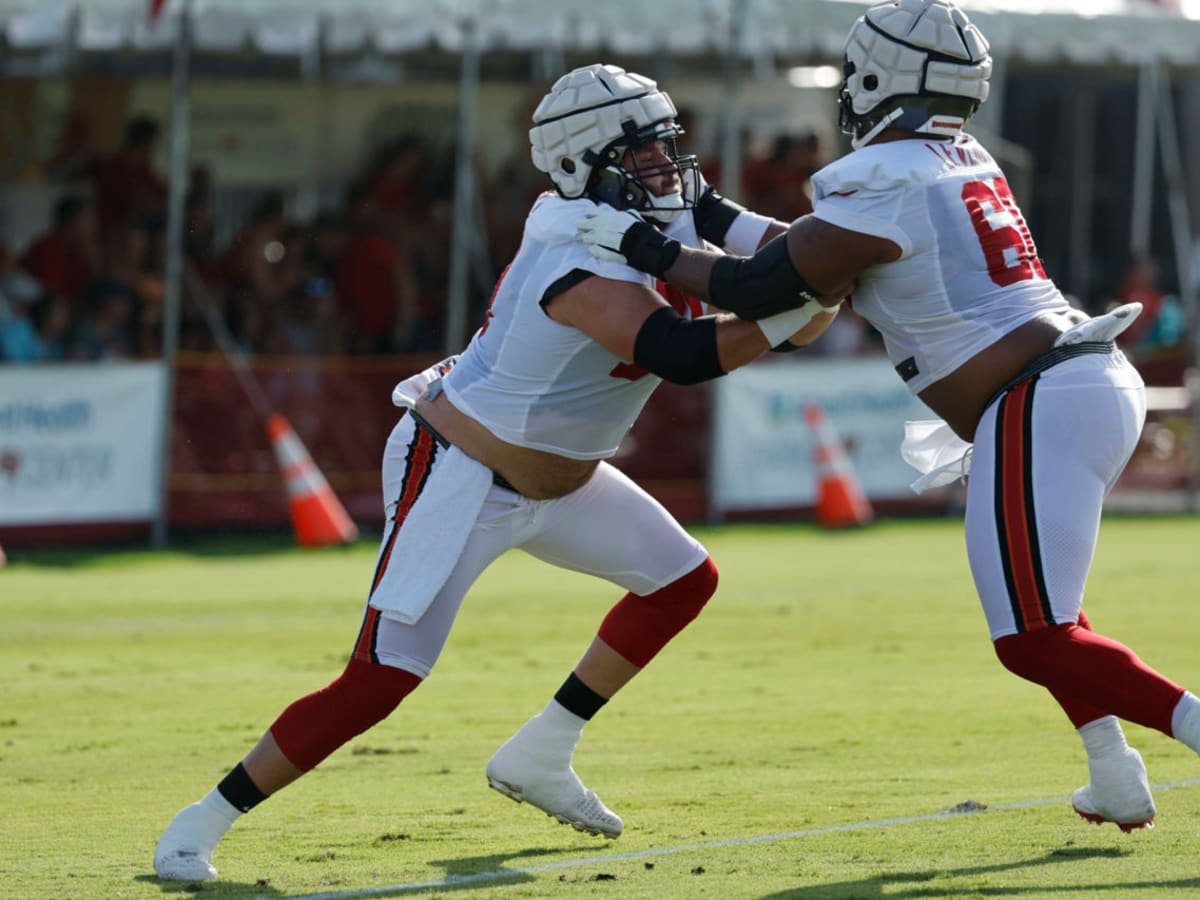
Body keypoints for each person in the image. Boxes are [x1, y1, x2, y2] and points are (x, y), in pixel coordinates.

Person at [153, 62, 842, 882]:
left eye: (666, 146)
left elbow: (785, 261)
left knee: (682, 581)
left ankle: (543, 749)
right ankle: (202, 821)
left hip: (562, 478)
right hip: (461, 469)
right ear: (588, 164)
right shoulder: (573, 248)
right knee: (381, 679)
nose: (667, 167)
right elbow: (682, 354)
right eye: (645, 152)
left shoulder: (640, 215)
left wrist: (806, 262)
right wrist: (799, 305)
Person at [577, 0, 1200, 836]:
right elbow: (808, 251)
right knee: (1049, 615)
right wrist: (708, 209)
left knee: (1032, 635)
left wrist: (647, 248)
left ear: (878, 78)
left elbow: (764, 285)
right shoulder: (953, 158)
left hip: (1041, 396)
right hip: (1077, 383)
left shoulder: (884, 175)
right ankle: (1112, 770)